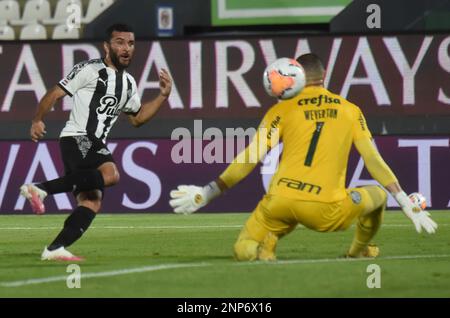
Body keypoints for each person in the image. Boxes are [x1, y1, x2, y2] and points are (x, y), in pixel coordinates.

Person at [169, 53, 437, 261]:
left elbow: (250, 156)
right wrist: (404, 201)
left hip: (281, 200)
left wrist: (208, 192)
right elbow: (372, 159)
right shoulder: (349, 110)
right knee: (377, 197)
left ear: (295, 74)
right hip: (327, 208)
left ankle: (262, 249)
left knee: (242, 248)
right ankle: (357, 252)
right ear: (324, 74)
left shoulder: (282, 109)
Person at [20, 24, 172, 261]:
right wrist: (38, 120)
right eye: (120, 42)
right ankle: (40, 189)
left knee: (91, 201)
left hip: (91, 142)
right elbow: (55, 93)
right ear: (106, 46)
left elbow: (138, 118)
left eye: (130, 43)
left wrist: (163, 96)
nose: (126, 48)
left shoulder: (129, 83)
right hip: (78, 136)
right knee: (111, 173)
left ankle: (55, 249)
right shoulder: (89, 70)